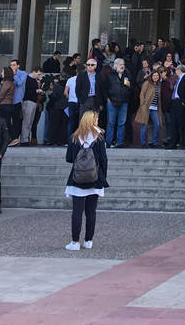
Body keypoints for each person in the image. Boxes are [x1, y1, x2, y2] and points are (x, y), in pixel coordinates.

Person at [64, 110, 109, 250]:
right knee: (91, 211)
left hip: (77, 179)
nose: (97, 121)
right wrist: (103, 176)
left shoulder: (75, 137)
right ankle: (88, 240)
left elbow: (69, 158)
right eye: (96, 119)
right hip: (95, 178)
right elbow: (103, 160)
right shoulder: (99, 137)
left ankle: (75, 242)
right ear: (92, 120)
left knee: (77, 212)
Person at [102, 58, 132, 148]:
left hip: (124, 102)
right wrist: (107, 99)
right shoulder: (110, 75)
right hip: (112, 101)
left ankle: (119, 143)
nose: (122, 66)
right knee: (111, 122)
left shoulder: (127, 75)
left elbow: (131, 88)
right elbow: (104, 88)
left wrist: (129, 86)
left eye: (123, 64)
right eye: (120, 64)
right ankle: (108, 142)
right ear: (115, 65)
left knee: (122, 123)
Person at [135, 71, 165, 148]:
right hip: (146, 107)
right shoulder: (147, 83)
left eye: (157, 76)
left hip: (155, 108)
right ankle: (143, 143)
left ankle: (154, 142)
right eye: (154, 75)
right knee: (144, 125)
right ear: (151, 76)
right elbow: (142, 94)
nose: (156, 77)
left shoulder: (158, 84)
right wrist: (142, 104)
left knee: (157, 124)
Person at [169, 64, 185, 149]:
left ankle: (184, 143)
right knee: (174, 123)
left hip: (180, 103)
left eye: (176, 69)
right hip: (175, 102)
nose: (175, 71)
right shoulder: (179, 78)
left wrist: (184, 102)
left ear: (180, 70)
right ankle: (174, 143)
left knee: (182, 124)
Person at [20, 67, 42, 146]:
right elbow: (26, 91)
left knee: (30, 121)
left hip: (33, 101)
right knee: (27, 121)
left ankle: (26, 138)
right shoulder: (28, 79)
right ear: (34, 72)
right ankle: (24, 139)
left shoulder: (34, 80)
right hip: (28, 101)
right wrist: (37, 90)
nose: (39, 76)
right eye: (38, 74)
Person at [8, 59, 27, 147]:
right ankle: (11, 138)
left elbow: (19, 83)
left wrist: (14, 74)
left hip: (17, 100)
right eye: (11, 65)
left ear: (18, 66)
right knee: (8, 120)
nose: (12, 66)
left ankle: (15, 138)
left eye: (14, 65)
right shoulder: (9, 73)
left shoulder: (22, 73)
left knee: (16, 120)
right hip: (9, 100)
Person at [65, 67, 82, 138]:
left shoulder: (70, 79)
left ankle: (69, 139)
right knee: (80, 121)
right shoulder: (83, 80)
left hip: (71, 102)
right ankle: (78, 139)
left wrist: (70, 98)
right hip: (80, 102)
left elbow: (65, 92)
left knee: (71, 121)